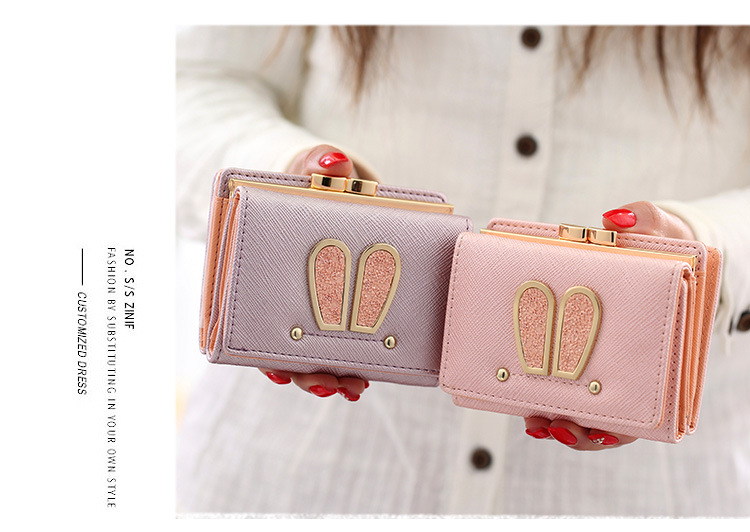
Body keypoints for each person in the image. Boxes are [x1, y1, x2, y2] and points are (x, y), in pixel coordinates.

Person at [175, 26, 750, 515]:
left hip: (661, 490)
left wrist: (701, 255)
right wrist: (288, 189)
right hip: (285, 469)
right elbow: (193, 78)